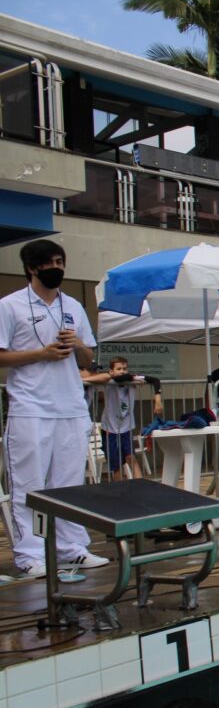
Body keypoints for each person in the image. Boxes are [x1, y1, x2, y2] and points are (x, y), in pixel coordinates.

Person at [0, 240, 108, 578]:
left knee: (69, 483)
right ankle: (29, 554)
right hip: (30, 406)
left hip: (71, 406)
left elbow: (91, 357)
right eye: (49, 263)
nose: (56, 267)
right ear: (32, 268)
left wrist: (77, 345)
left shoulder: (73, 306)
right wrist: (41, 354)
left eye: (60, 261)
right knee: (29, 483)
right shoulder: (9, 306)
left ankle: (71, 548)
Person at [84, 356, 164, 480]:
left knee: (130, 457)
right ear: (111, 371)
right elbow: (116, 378)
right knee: (116, 464)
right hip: (110, 429)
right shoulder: (110, 382)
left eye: (124, 369)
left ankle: (140, 485)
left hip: (126, 428)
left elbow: (155, 380)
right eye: (118, 368)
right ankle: (120, 489)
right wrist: (128, 376)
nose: (122, 371)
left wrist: (157, 399)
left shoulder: (130, 381)